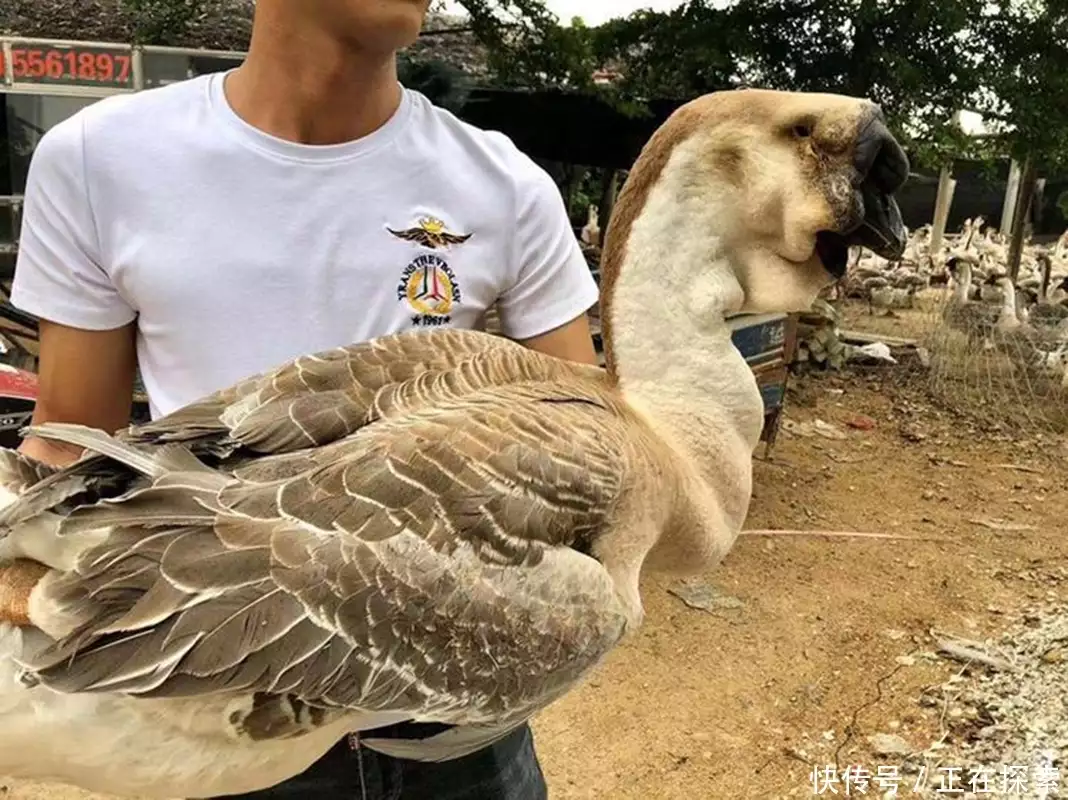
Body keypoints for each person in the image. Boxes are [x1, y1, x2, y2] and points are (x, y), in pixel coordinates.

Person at [9, 1, 600, 798]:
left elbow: (597, 457)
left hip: (445, 731)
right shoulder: (99, 157)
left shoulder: (506, 185)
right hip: (212, 708)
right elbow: (70, 446)